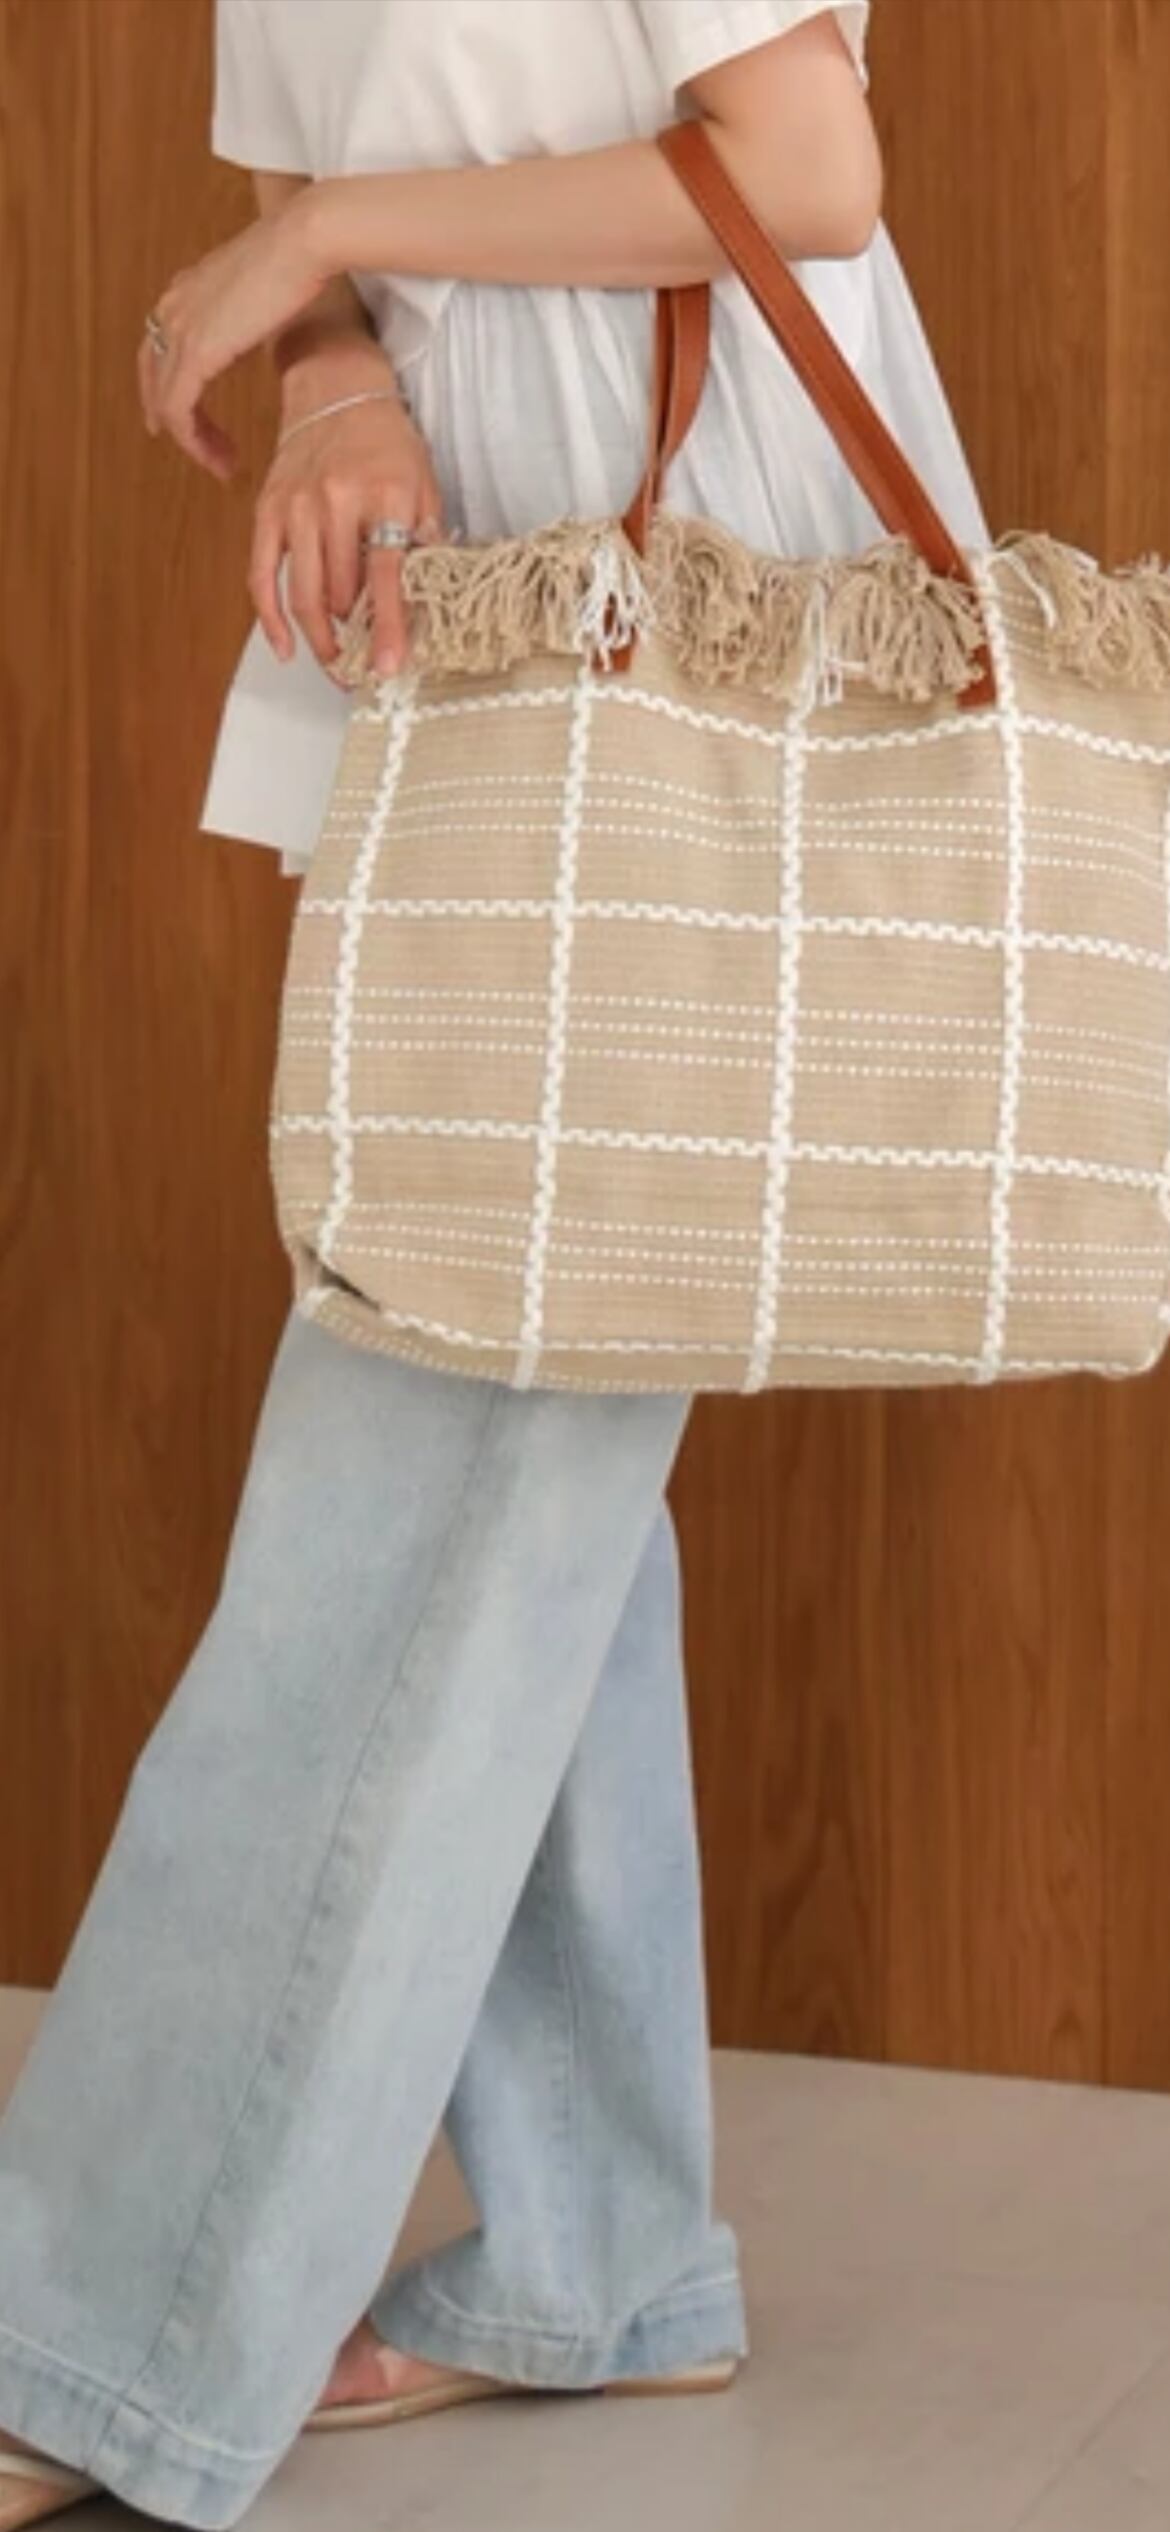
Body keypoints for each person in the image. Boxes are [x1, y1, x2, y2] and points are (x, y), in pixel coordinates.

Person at [0, 6, 989, 2527]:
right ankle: (595, 2247)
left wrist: (334, 245)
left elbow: (807, 169)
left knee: (418, 1484)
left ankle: (92, 2329)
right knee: (516, 1472)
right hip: (471, 600)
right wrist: (335, 367)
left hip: (693, 617)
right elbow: (299, 180)